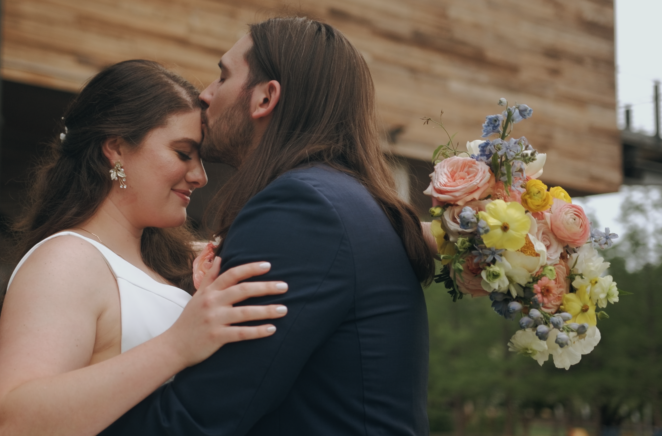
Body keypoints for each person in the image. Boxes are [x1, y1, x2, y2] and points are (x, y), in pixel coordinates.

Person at [99, 17, 436, 436]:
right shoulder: (345, 200)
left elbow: (200, 418)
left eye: (223, 75)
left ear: (264, 98)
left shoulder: (302, 209)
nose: (204, 94)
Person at [0, 60, 290, 436]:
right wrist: (176, 346)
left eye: (200, 158)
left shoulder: (162, 263)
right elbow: (8, 424)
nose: (200, 176)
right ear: (116, 149)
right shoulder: (66, 261)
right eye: (182, 153)